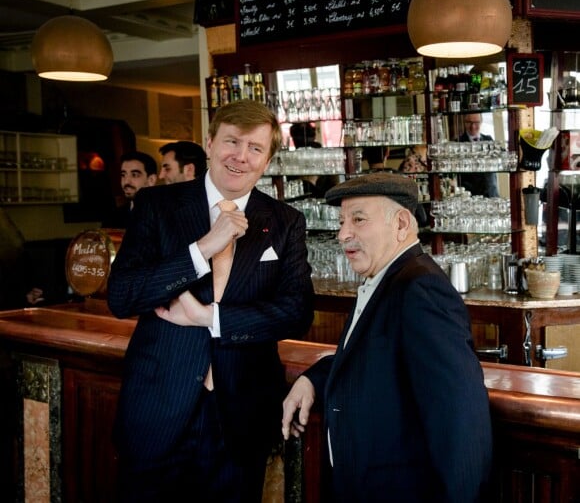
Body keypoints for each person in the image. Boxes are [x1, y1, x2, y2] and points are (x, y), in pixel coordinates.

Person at [107, 99, 314, 503]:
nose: (241, 157)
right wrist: (201, 250)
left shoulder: (286, 221)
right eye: (232, 142)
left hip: (239, 417)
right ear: (209, 142)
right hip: (158, 408)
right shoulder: (157, 206)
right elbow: (122, 295)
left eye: (255, 148)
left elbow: (297, 312)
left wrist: (211, 318)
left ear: (267, 159)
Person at [282, 173, 493, 503]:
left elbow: (460, 420)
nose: (342, 234)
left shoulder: (420, 289)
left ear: (401, 223)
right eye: (341, 222)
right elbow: (372, 358)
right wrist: (313, 379)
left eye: (359, 220)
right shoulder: (386, 278)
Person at [101, 150, 158, 229]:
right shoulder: (112, 218)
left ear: (151, 180)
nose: (126, 181)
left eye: (134, 175)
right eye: (123, 175)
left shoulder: (165, 217)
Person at [457, 114, 499, 197]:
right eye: (469, 122)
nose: (473, 127)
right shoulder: (458, 143)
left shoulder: (489, 140)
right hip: (470, 196)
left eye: (476, 122)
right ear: (464, 123)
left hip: (491, 194)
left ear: (481, 122)